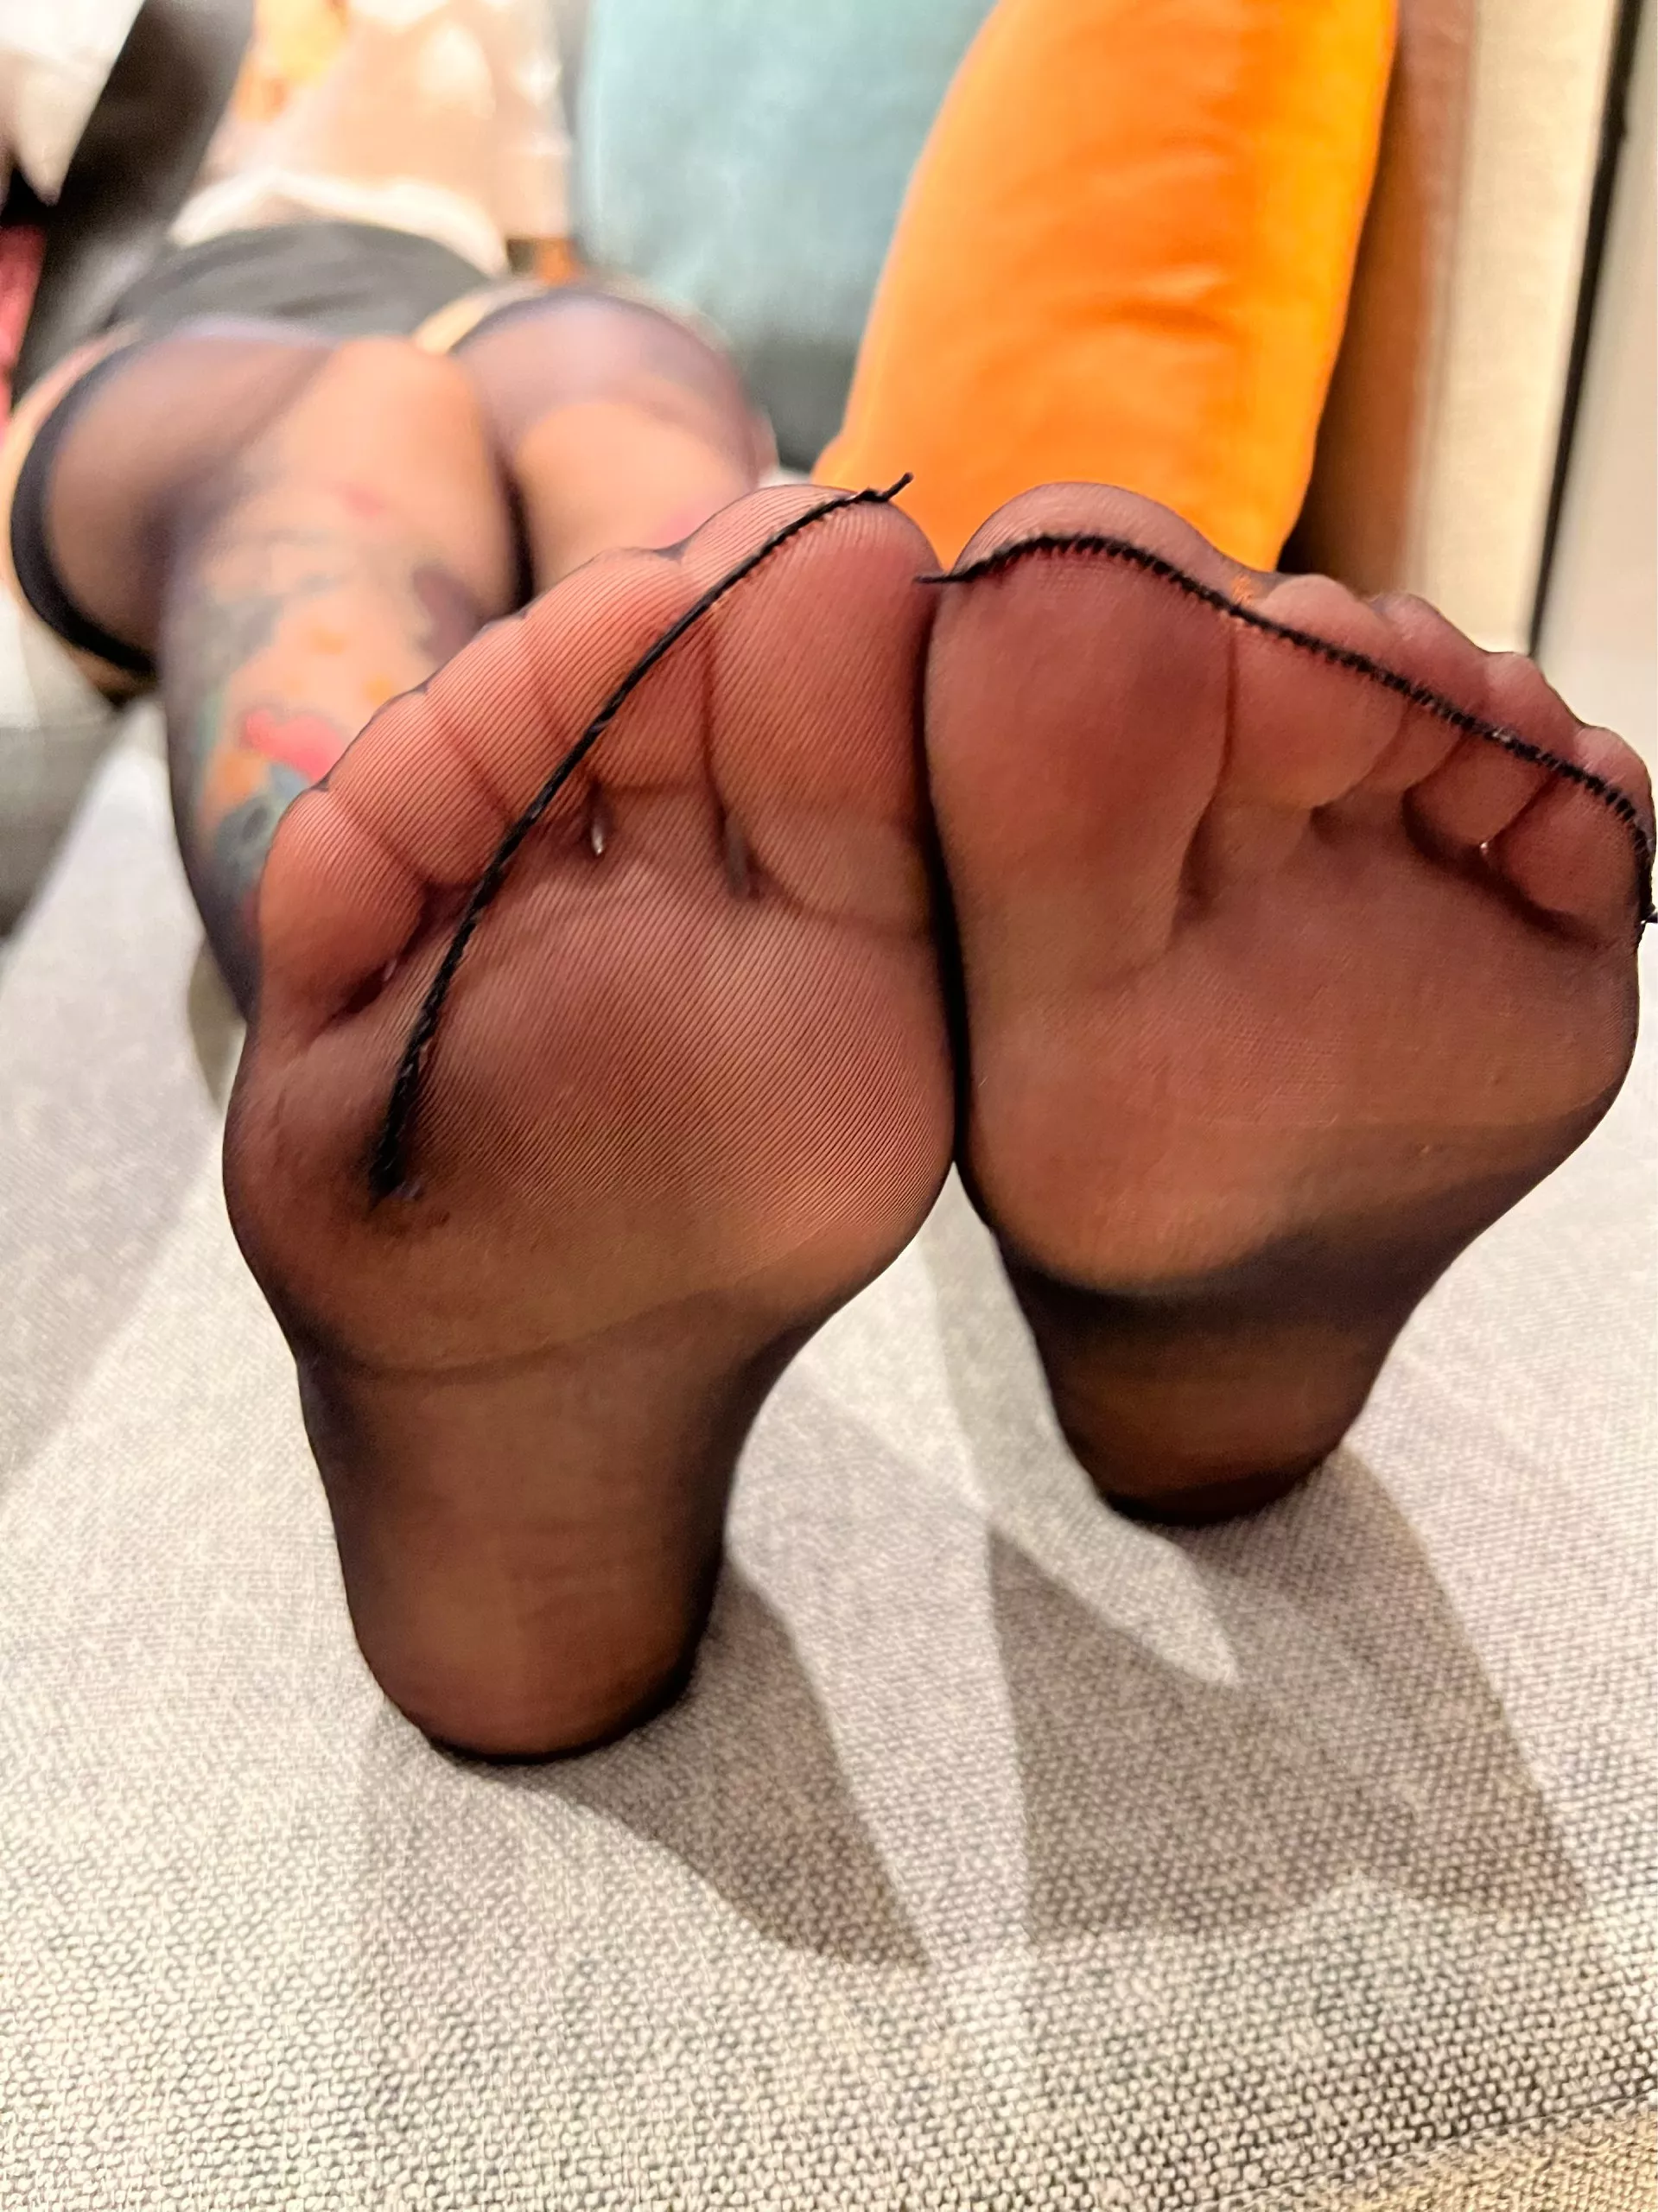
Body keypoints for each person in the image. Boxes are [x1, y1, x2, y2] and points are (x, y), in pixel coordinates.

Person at [2, 1, 1649, 1763]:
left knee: (691, 509)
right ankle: (440, 1067)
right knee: (361, 430)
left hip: (547, 305)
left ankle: (487, 1048)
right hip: (205, 316)